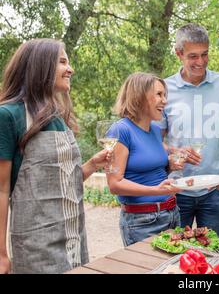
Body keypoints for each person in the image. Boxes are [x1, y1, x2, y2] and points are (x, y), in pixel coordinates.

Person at [0, 38, 111, 274]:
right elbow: (0, 189)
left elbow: (61, 184)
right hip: (35, 248)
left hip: (74, 241)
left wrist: (91, 165)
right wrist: (1, 254)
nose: (70, 69)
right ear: (41, 65)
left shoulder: (58, 118)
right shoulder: (8, 116)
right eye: (63, 62)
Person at [158, 23, 219, 240]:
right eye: (193, 56)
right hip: (177, 189)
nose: (201, 62)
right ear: (179, 54)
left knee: (215, 254)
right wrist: (176, 151)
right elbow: (156, 142)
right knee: (175, 253)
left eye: (205, 54)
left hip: (216, 189)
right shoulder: (164, 89)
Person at [106, 72, 182, 246]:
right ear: (139, 96)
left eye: (165, 95)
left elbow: (152, 169)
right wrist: (156, 191)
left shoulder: (155, 130)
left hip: (171, 214)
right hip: (142, 222)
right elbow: (114, 184)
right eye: (159, 95)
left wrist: (170, 165)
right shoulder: (121, 130)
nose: (165, 101)